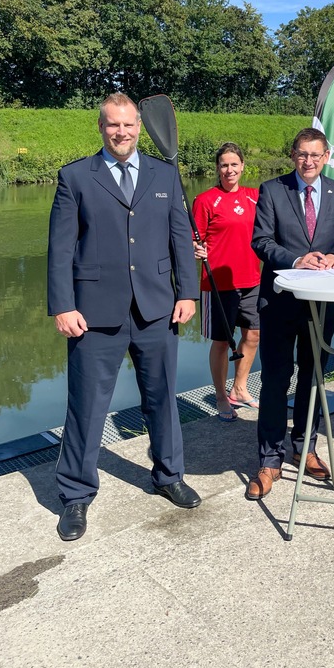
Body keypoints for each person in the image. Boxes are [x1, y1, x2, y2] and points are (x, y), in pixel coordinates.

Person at [47, 93, 201, 543]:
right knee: (86, 406)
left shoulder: (164, 174)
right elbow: (59, 249)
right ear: (101, 127)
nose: (122, 132)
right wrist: (62, 304)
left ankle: (169, 475)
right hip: (93, 313)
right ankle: (75, 494)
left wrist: (188, 292)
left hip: (156, 308)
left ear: (138, 126)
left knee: (163, 398)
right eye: (113, 125)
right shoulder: (75, 177)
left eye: (129, 125)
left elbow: (180, 236)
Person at [246, 127, 334, 500]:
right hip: (279, 302)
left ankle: (305, 447)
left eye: (315, 155)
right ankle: (270, 458)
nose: (308, 161)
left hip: (323, 304)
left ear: (326, 157)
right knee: (277, 379)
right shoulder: (272, 190)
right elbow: (261, 241)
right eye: (302, 154)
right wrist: (296, 260)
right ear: (293, 155)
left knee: (313, 380)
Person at [192, 142, 260, 422]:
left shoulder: (256, 196)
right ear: (218, 169)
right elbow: (190, 241)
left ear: (243, 166)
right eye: (224, 165)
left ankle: (239, 388)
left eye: (234, 164)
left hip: (252, 280)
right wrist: (195, 250)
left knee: (253, 335)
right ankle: (221, 395)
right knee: (221, 341)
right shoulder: (206, 200)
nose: (229, 170)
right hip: (218, 282)